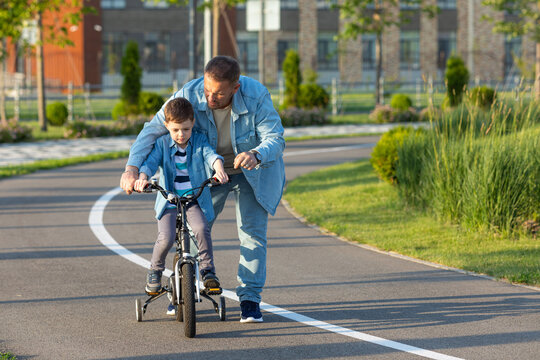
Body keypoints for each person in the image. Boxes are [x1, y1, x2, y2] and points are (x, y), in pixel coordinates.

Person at [121, 56, 286, 323]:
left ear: (235, 88)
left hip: (252, 170)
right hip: (208, 174)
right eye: (207, 90)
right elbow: (152, 131)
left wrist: (256, 153)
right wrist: (132, 168)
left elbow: (275, 138)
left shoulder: (256, 95)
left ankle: (250, 300)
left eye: (219, 93)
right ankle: (184, 293)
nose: (210, 98)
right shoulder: (189, 93)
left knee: (252, 235)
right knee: (193, 227)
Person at [131, 97, 229, 298]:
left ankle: (208, 272)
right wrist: (142, 179)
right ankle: (155, 271)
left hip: (193, 199)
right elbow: (149, 164)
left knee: (202, 229)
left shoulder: (199, 140)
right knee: (166, 237)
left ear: (193, 122)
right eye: (175, 130)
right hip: (169, 200)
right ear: (166, 125)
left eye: (185, 129)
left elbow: (210, 155)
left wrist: (218, 169)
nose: (181, 134)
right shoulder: (162, 144)